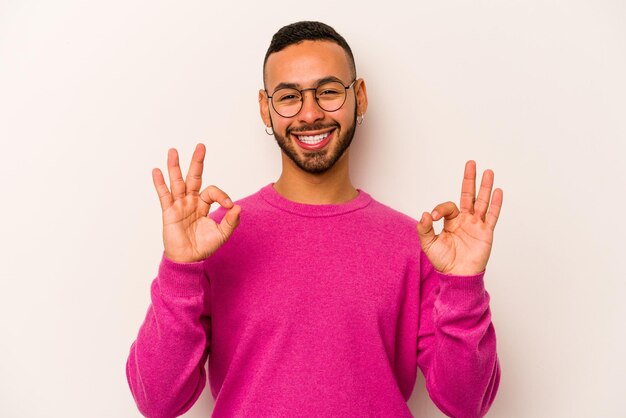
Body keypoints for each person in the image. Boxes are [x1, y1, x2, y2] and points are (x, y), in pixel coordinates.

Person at [126, 21, 503, 418]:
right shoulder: (216, 236)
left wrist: (463, 286)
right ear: (265, 108)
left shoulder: (418, 244)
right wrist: (180, 269)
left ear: (359, 96)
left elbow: (468, 403)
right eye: (289, 96)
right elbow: (157, 401)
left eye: (327, 92)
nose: (310, 114)